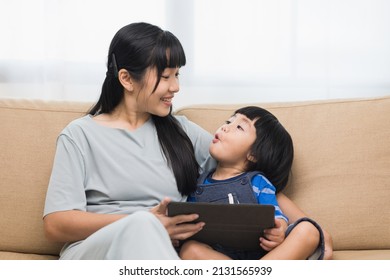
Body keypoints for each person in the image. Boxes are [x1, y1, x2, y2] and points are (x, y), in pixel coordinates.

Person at [43, 22, 333, 260]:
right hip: (96, 254)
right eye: (165, 76)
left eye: (178, 74)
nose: (176, 87)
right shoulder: (79, 135)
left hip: (165, 258)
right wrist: (147, 222)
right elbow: (55, 225)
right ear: (127, 79)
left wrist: (304, 225)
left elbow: (243, 175)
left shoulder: (181, 131)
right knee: (143, 225)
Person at [179, 106, 325, 260]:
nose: (225, 127)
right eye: (229, 121)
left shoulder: (258, 183)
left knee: (308, 230)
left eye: (239, 127)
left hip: (264, 256)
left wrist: (279, 228)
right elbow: (190, 223)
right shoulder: (198, 185)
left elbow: (276, 214)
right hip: (221, 258)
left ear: (253, 154)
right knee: (190, 249)